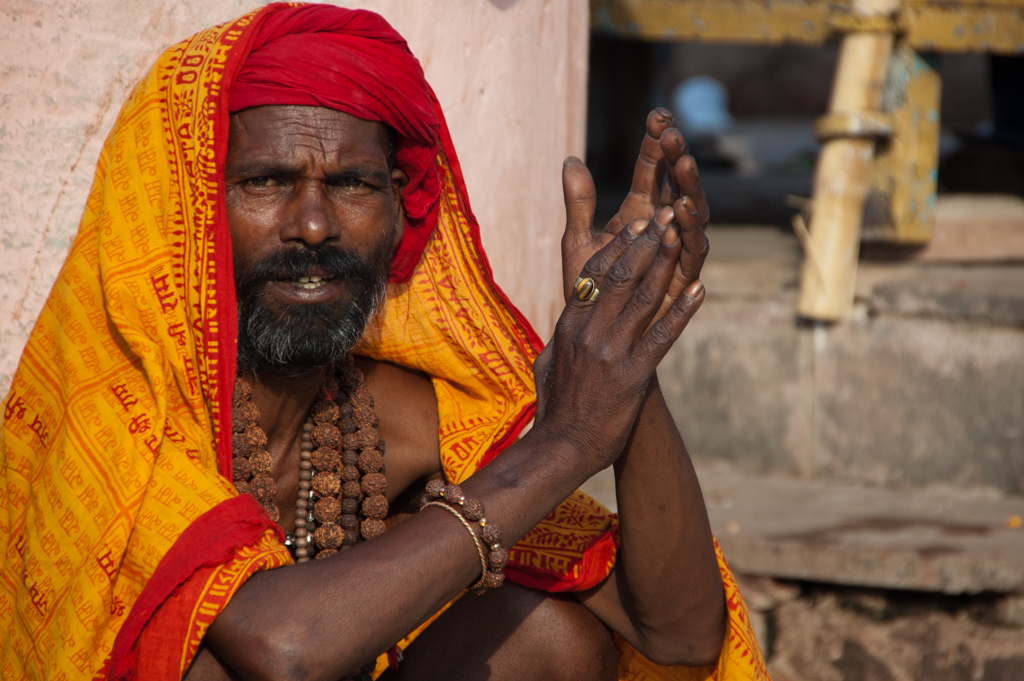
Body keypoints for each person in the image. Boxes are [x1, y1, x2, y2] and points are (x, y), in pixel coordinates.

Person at [0, 4, 767, 680]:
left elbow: (680, 629)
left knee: (547, 635)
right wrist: (562, 445)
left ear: (403, 213)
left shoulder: (397, 422)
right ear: (188, 212)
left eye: (353, 185)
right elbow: (286, 648)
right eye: (265, 182)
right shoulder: (117, 413)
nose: (311, 225)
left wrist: (621, 343)